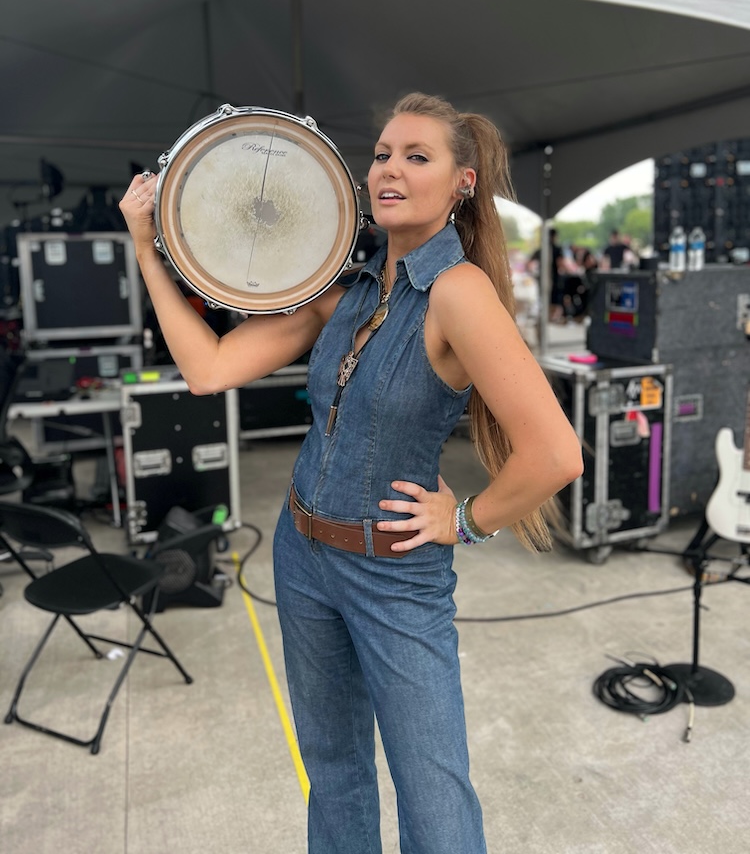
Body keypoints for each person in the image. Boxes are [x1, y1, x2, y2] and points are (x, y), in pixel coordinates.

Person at [120, 92, 583, 854]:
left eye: (417, 156)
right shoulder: (342, 287)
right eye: (382, 154)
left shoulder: (458, 293)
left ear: (462, 182)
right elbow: (207, 369)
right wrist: (145, 245)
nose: (390, 169)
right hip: (303, 557)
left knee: (434, 801)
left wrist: (464, 519)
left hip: (394, 577)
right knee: (332, 769)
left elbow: (555, 453)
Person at [526, 226, 566, 322]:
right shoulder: (557, 249)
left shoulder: (541, 250)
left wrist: (533, 274)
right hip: (554, 279)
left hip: (542, 278)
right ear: (554, 236)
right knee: (554, 298)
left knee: (544, 298)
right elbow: (561, 264)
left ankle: (546, 317)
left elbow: (528, 264)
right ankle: (551, 317)